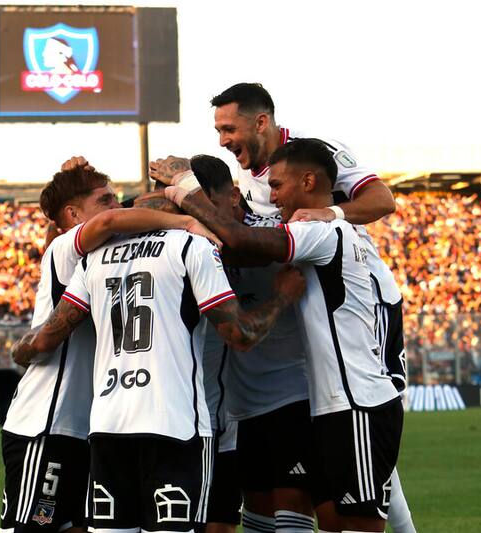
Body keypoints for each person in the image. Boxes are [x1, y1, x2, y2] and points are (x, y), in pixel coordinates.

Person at [152, 82, 415, 533]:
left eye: (229, 128)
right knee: (328, 502)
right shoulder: (259, 190)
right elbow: (243, 244)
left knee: (351, 506)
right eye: (217, 131)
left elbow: (381, 200)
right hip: (287, 387)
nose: (223, 140)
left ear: (261, 122)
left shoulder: (312, 166)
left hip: (336, 371)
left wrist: (331, 214)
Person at [12, 222, 306, 533]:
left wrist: (19, 351)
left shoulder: (95, 257)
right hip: (172, 426)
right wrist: (282, 297)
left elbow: (45, 338)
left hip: (108, 426)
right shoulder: (192, 246)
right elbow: (240, 334)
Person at [0, 160, 221, 533]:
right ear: (73, 215)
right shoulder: (65, 247)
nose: (117, 206)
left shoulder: (103, 252)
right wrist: (185, 221)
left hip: (87, 426)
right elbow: (109, 222)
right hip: (46, 423)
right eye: (105, 199)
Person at [188, 155, 315, 533]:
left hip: (290, 396)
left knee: (291, 510)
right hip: (236, 409)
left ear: (232, 195)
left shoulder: (273, 232)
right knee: (251, 516)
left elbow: (251, 247)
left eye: (205, 205)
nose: (200, 216)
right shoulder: (192, 241)